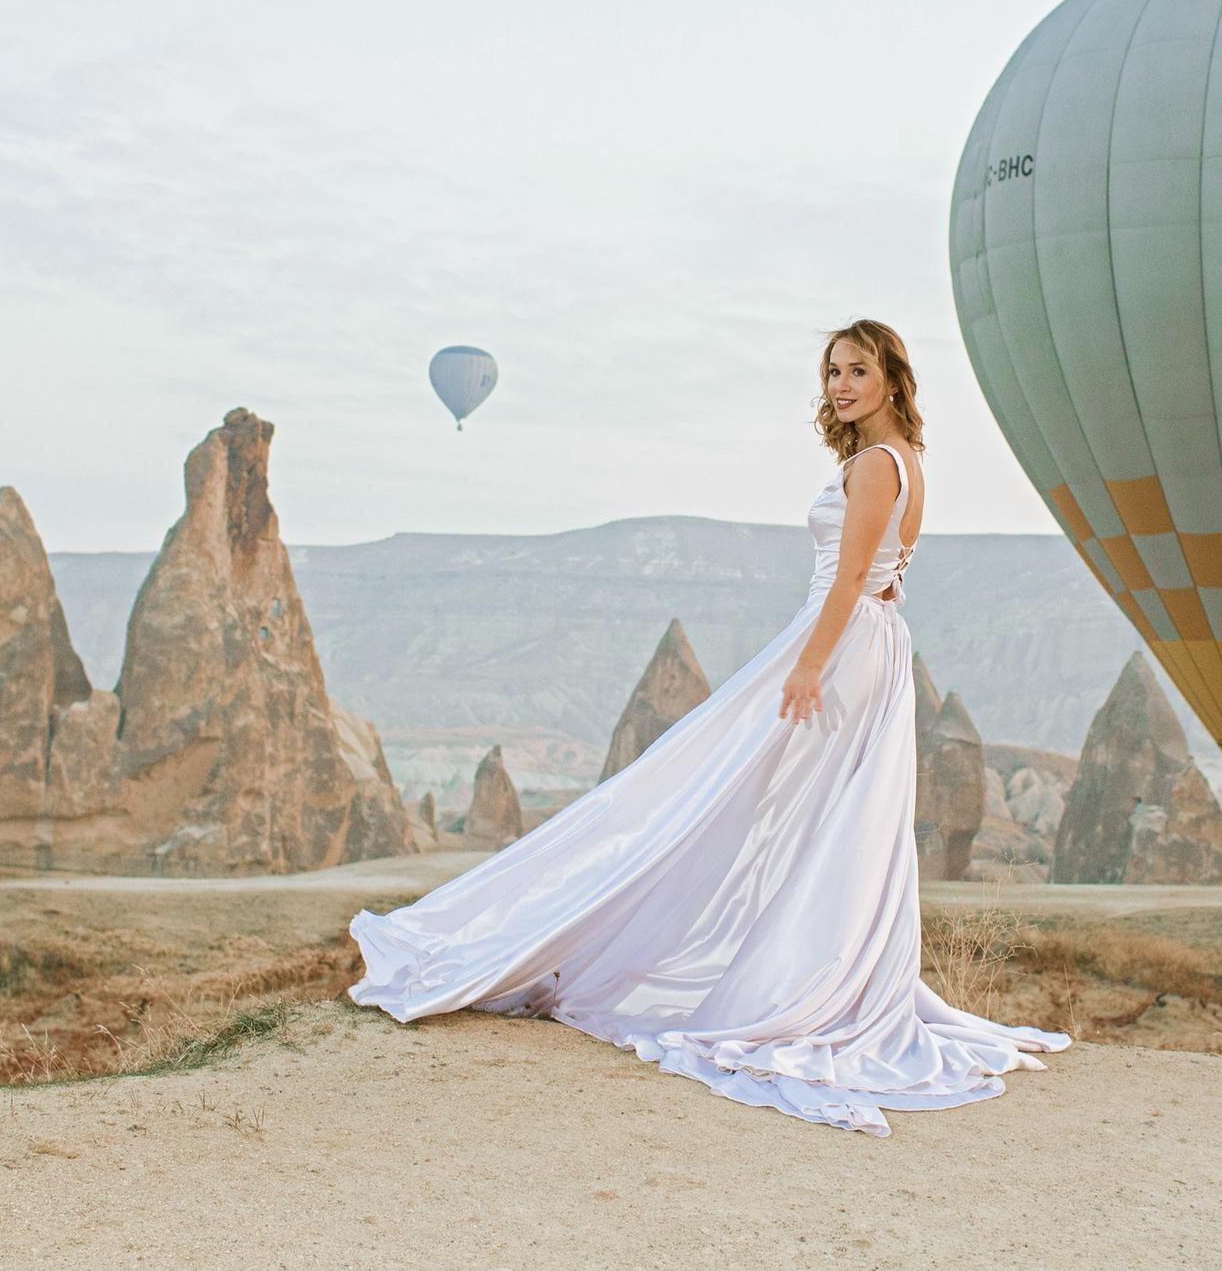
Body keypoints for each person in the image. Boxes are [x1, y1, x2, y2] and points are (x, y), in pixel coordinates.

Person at [345, 318, 1068, 1134]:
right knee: (826, 812)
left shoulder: (873, 465)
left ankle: (765, 971)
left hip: (838, 641)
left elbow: (853, 581)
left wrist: (807, 664)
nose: (839, 384)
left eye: (857, 370)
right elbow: (889, 579)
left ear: (893, 379)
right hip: (876, 642)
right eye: (832, 370)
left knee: (722, 786)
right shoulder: (909, 462)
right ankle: (804, 964)